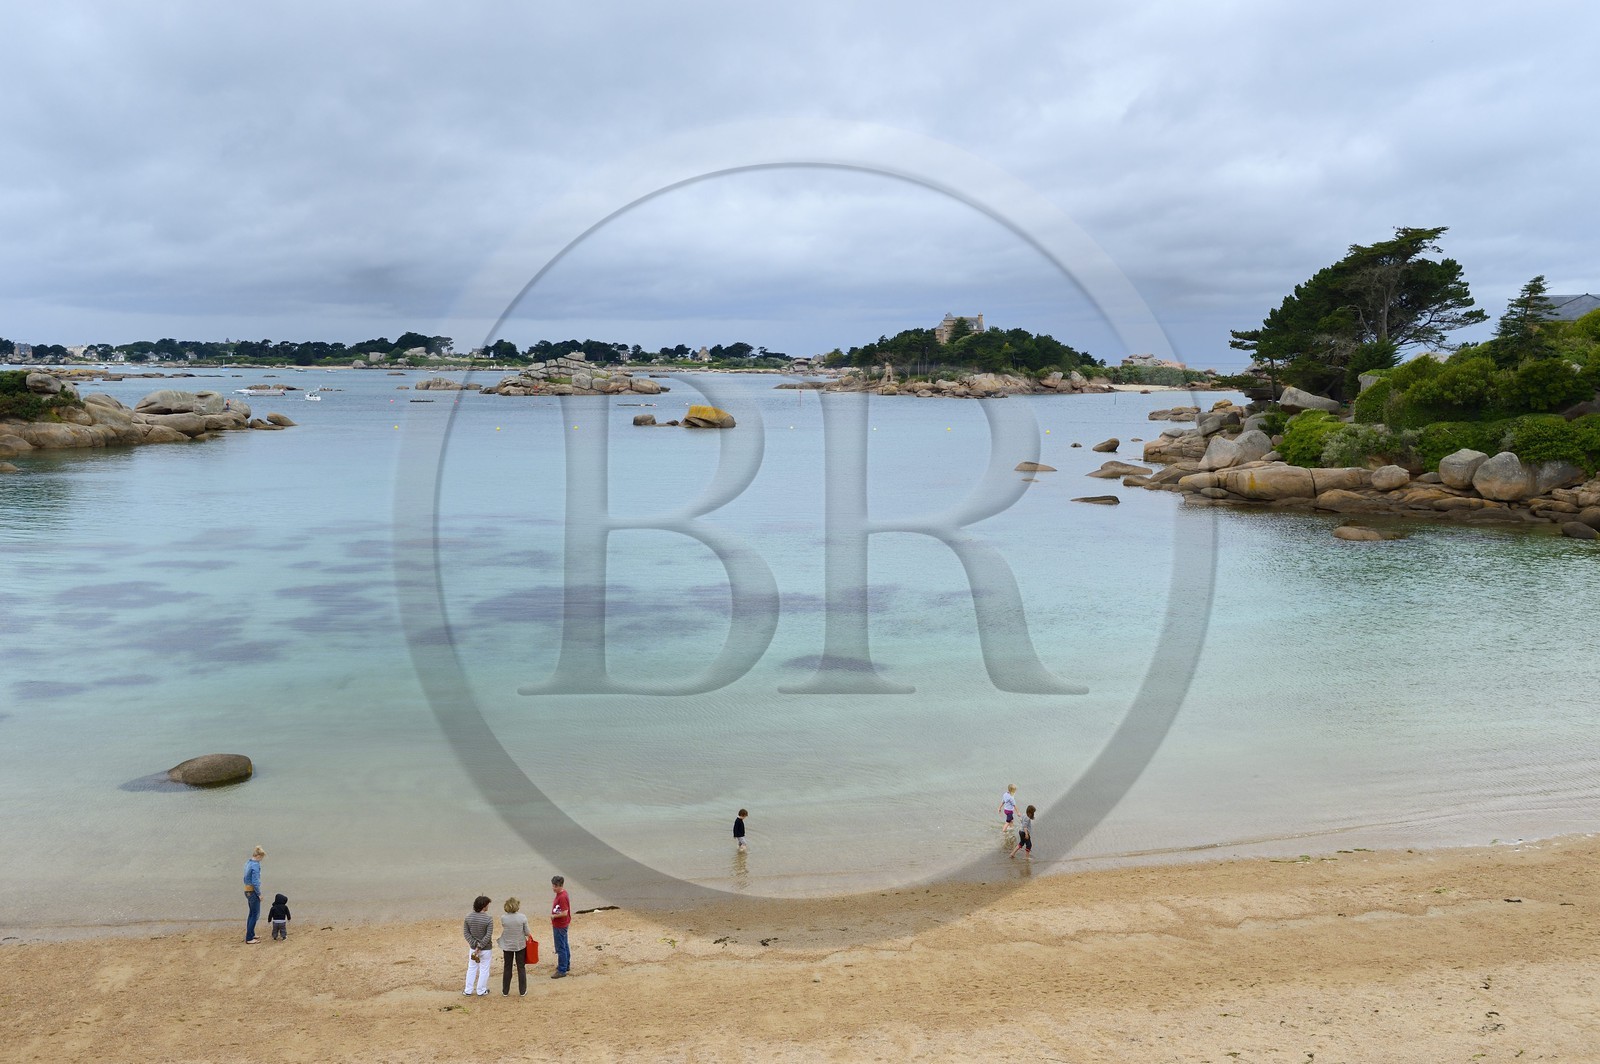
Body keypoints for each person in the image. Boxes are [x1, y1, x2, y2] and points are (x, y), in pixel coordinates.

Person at [498, 897, 532, 996]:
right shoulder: (522, 917)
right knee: (521, 967)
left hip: (507, 945)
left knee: (507, 967)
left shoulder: (503, 918)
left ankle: (505, 991)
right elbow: (527, 932)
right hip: (520, 944)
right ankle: (522, 991)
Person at [462, 895, 494, 996]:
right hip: (485, 949)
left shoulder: (468, 917)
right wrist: (479, 946)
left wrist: (475, 945)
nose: (488, 906)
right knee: (484, 969)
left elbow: (466, 934)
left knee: (472, 968)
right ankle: (481, 990)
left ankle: (468, 990)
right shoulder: (488, 919)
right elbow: (488, 936)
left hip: (473, 948)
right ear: (484, 906)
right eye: (487, 904)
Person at [549, 875, 572, 978]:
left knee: (560, 947)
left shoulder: (562, 896)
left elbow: (565, 912)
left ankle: (562, 970)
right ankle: (566, 965)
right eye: (553, 886)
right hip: (561, 925)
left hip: (560, 925)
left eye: (555, 886)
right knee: (564, 945)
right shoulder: (561, 894)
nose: (553, 888)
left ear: (560, 886)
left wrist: (554, 916)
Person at [242, 846, 265, 943]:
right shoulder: (255, 865)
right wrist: (259, 894)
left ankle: (251, 934)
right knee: (255, 914)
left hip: (246, 890)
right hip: (253, 892)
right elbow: (255, 882)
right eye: (262, 857)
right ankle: (249, 938)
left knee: (251, 913)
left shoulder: (248, 862)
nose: (262, 860)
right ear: (259, 856)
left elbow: (245, 877)